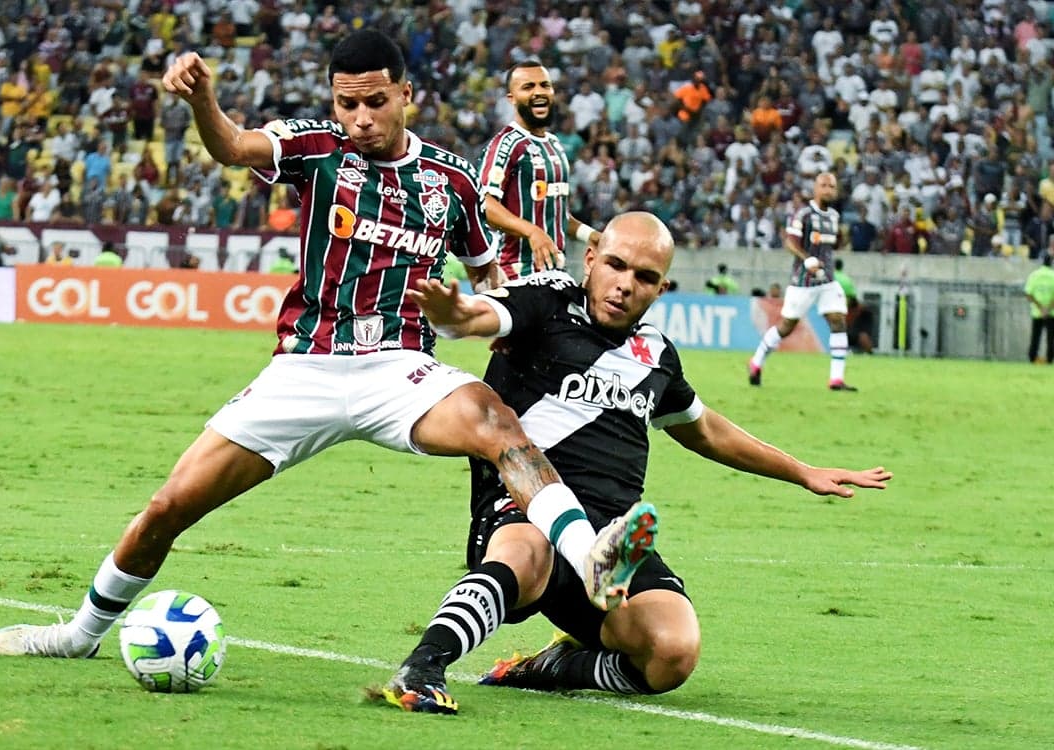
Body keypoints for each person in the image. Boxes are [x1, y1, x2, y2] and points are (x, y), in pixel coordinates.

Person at [0, 30, 656, 663]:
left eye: (374, 102)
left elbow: (487, 280)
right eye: (347, 103)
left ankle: (590, 559)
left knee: (496, 425)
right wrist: (201, 102)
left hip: (399, 369)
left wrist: (472, 314)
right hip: (305, 367)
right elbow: (234, 148)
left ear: (406, 95)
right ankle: (80, 634)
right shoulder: (316, 148)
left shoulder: (449, 183)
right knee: (169, 506)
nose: (359, 117)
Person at [374, 213, 892, 714]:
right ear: (591, 259)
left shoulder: (657, 355)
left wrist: (802, 472)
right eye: (616, 265)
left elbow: (707, 430)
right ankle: (422, 667)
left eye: (644, 277)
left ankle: (553, 669)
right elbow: (482, 316)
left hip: (613, 550)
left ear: (661, 289)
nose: (625, 285)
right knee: (525, 553)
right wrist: (455, 316)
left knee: (673, 653)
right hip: (524, 508)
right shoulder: (548, 302)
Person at [479, 60, 600, 280]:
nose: (538, 92)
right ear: (511, 98)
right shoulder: (506, 144)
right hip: (516, 275)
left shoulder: (554, 144)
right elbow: (484, 205)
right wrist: (531, 231)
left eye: (544, 85)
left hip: (555, 275)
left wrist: (591, 235)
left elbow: (555, 213)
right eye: (528, 87)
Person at [749, 172, 857, 391]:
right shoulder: (804, 214)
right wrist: (807, 259)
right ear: (816, 189)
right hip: (803, 282)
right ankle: (756, 361)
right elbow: (790, 242)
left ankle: (836, 379)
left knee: (838, 321)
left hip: (827, 279)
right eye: (824, 185)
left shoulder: (834, 216)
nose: (828, 189)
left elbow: (829, 246)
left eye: (832, 186)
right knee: (786, 327)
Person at [1024, 254, 1054, 363]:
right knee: (1050, 338)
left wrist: (1040, 308)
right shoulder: (1053, 275)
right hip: (1051, 313)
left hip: (1037, 312)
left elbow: (1028, 293)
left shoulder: (1034, 275)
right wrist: (1048, 308)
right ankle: (1050, 359)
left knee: (1035, 337)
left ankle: (1032, 358)